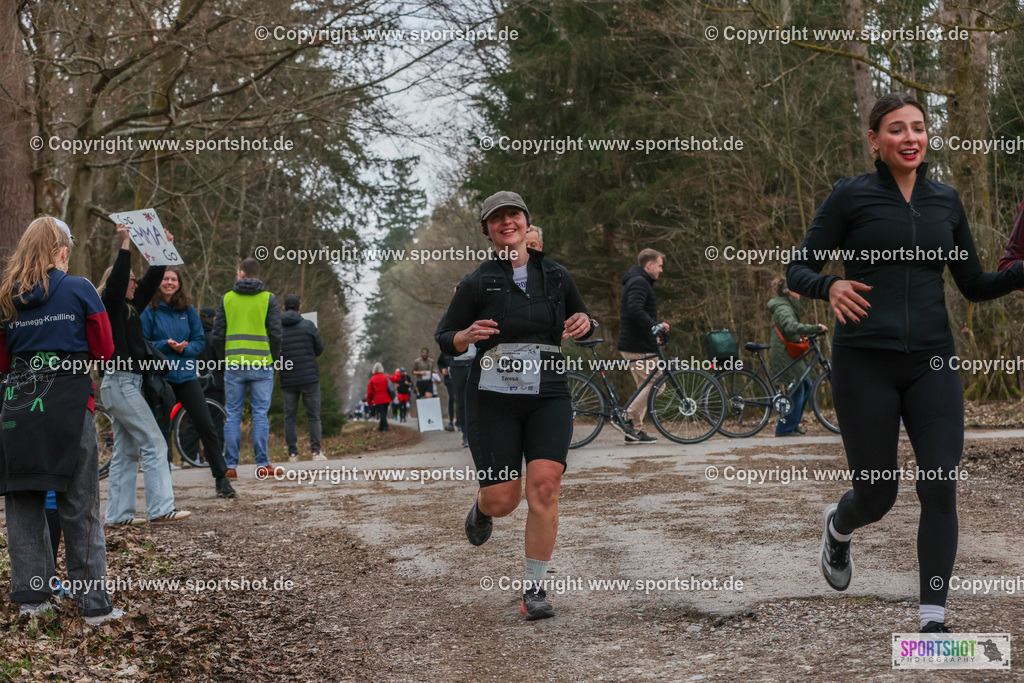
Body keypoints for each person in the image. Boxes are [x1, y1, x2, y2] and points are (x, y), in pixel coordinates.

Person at [787, 93, 1024, 633]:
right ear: (875, 140)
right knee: (878, 495)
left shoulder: (946, 201)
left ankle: (932, 622)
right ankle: (839, 527)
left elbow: (973, 284)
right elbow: (798, 269)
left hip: (932, 363)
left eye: (918, 127)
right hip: (864, 362)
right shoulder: (850, 196)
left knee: (939, 482)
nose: (910, 137)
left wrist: (1020, 272)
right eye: (897, 129)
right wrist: (830, 285)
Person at [436, 190, 593, 620]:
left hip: (548, 394)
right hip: (493, 400)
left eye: (514, 215)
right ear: (486, 230)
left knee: (544, 485)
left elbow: (582, 318)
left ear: (526, 222)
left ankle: (535, 588)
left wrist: (586, 322)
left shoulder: (557, 276)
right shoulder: (476, 282)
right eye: (497, 218)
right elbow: (445, 336)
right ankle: (482, 507)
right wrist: (465, 336)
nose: (507, 222)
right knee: (504, 499)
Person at [0, 216, 123, 624]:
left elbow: (2, 361)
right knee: (80, 503)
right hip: (69, 408)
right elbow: (104, 349)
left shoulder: (6, 296)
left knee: (23, 502)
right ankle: (94, 605)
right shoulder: (80, 288)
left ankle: (33, 601)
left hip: (18, 409)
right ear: (63, 251)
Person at [101, 223, 190, 524]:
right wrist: (125, 243)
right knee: (155, 443)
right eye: (130, 279)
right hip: (120, 382)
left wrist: (163, 249)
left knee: (126, 451)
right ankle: (162, 508)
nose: (135, 284)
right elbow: (116, 283)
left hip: (125, 384)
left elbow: (151, 282)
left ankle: (118, 515)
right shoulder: (110, 305)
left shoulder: (130, 307)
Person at [141, 267, 235, 498]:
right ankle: (162, 489)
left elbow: (199, 340)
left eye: (173, 279)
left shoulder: (188, 309)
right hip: (161, 378)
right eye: (165, 278)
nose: (169, 282)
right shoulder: (149, 309)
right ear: (158, 282)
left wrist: (185, 349)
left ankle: (221, 479)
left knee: (206, 425)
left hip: (187, 376)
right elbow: (143, 341)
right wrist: (166, 345)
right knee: (161, 432)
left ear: (179, 283)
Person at [212, 257, 283, 479]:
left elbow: (217, 335)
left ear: (241, 273)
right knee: (260, 414)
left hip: (234, 364)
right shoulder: (268, 299)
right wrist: (273, 358)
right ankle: (263, 464)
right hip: (261, 364)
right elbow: (276, 333)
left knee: (233, 414)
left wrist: (222, 359)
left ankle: (230, 466)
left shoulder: (227, 299)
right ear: (256, 274)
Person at [616, 248, 670, 444]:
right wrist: (654, 327)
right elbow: (635, 308)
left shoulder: (639, 281)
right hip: (636, 345)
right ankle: (626, 416)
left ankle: (633, 430)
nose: (661, 270)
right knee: (658, 383)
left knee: (644, 387)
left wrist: (655, 329)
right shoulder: (639, 282)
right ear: (649, 265)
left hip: (637, 343)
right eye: (660, 266)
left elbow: (638, 312)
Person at [766, 277, 827, 436]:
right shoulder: (783, 307)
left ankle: (793, 424)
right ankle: (784, 429)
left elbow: (788, 330)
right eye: (797, 290)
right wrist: (815, 328)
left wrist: (801, 338)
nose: (800, 293)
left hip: (789, 351)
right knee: (798, 388)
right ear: (790, 292)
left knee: (806, 384)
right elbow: (790, 326)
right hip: (784, 354)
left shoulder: (787, 305)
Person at [279, 294, 326, 462]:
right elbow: (319, 350)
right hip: (309, 377)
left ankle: (293, 454)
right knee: (314, 416)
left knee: (289, 417)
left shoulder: (276, 328)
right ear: (300, 308)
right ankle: (315, 452)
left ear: (283, 308)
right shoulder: (308, 325)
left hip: (287, 378)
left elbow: (274, 352)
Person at [196, 306, 225, 404]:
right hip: (215, 382)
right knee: (216, 411)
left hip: (197, 382)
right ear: (214, 319)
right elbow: (222, 361)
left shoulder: (194, 338)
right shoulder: (215, 339)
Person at [366, 363, 393, 431]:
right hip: (386, 398)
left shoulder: (372, 379)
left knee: (382, 413)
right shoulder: (386, 377)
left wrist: (369, 402)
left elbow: (369, 392)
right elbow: (392, 383)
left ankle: (386, 427)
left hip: (378, 399)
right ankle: (381, 427)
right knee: (384, 413)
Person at [437, 351, 457, 430]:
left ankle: (459, 422)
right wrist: (442, 369)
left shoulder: (460, 349)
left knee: (459, 399)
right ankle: (451, 421)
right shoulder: (445, 352)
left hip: (459, 379)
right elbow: (440, 363)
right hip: (449, 379)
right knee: (451, 398)